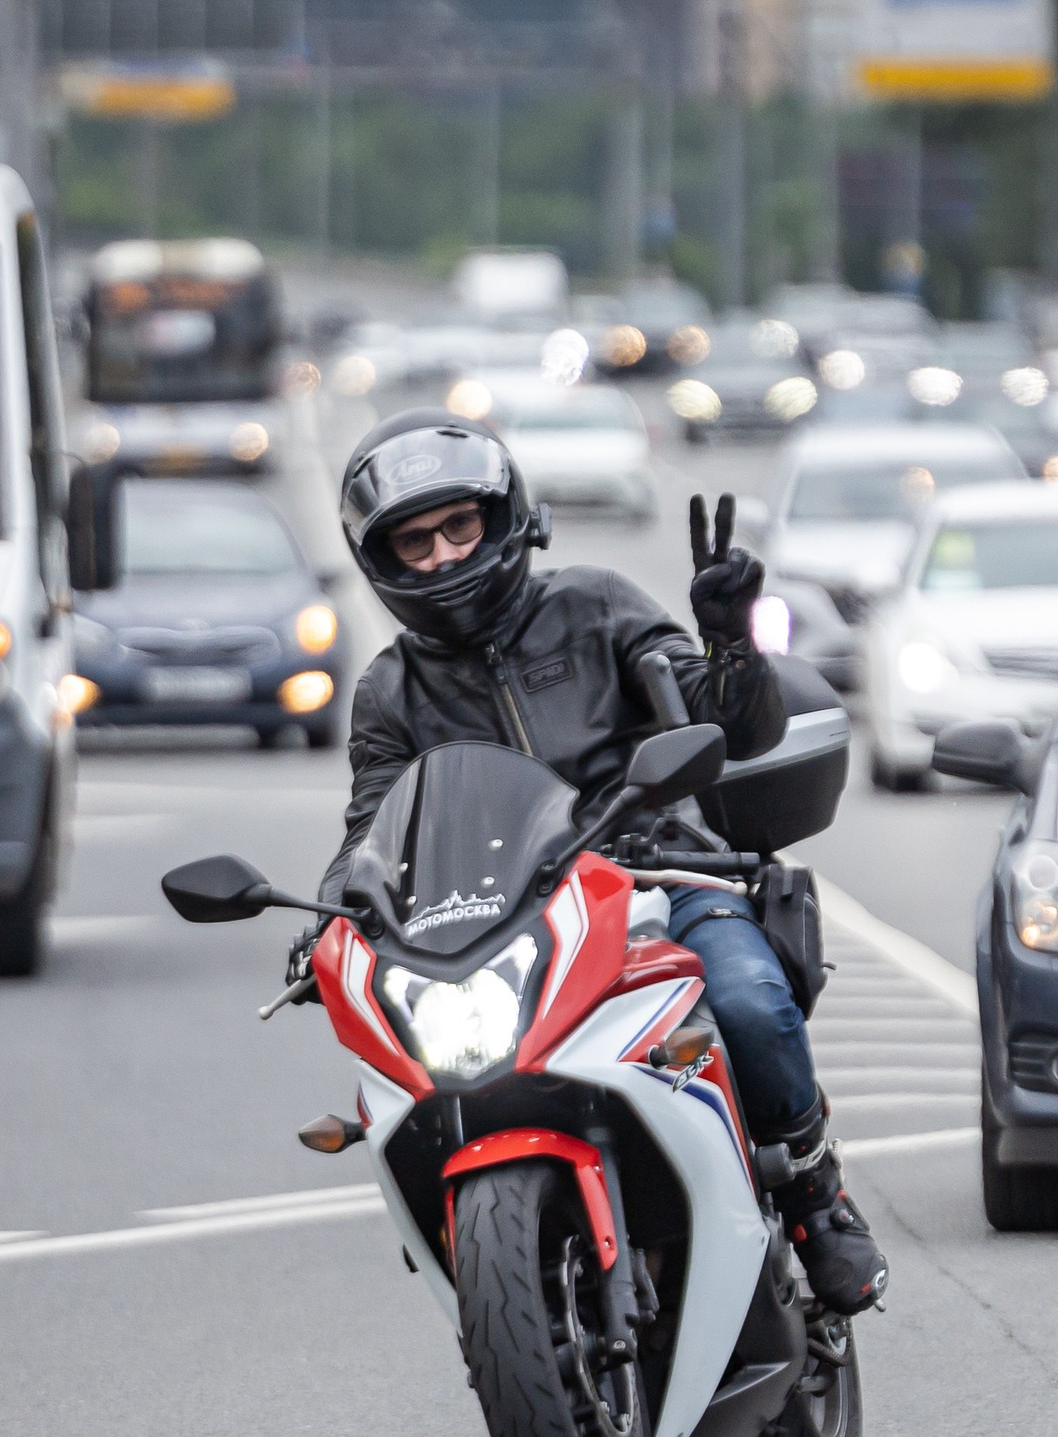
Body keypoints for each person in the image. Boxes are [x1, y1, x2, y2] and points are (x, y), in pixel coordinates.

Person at [318, 407, 888, 1315]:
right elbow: (371, 826)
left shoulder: (596, 605)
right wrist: (334, 914)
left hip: (660, 879)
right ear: (380, 558)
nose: (443, 556)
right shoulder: (390, 691)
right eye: (414, 541)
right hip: (505, 927)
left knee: (747, 999)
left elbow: (728, 724)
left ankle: (817, 1195)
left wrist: (732, 643)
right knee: (437, 1079)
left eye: (459, 525)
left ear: (503, 519)